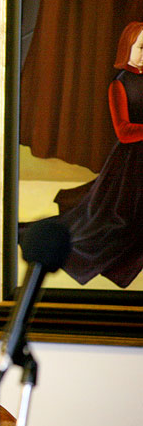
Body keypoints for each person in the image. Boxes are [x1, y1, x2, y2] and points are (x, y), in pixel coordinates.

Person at [45, 21, 143, 288]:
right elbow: (123, 132)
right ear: (128, 49)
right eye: (141, 48)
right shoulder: (119, 85)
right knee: (117, 226)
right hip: (129, 167)